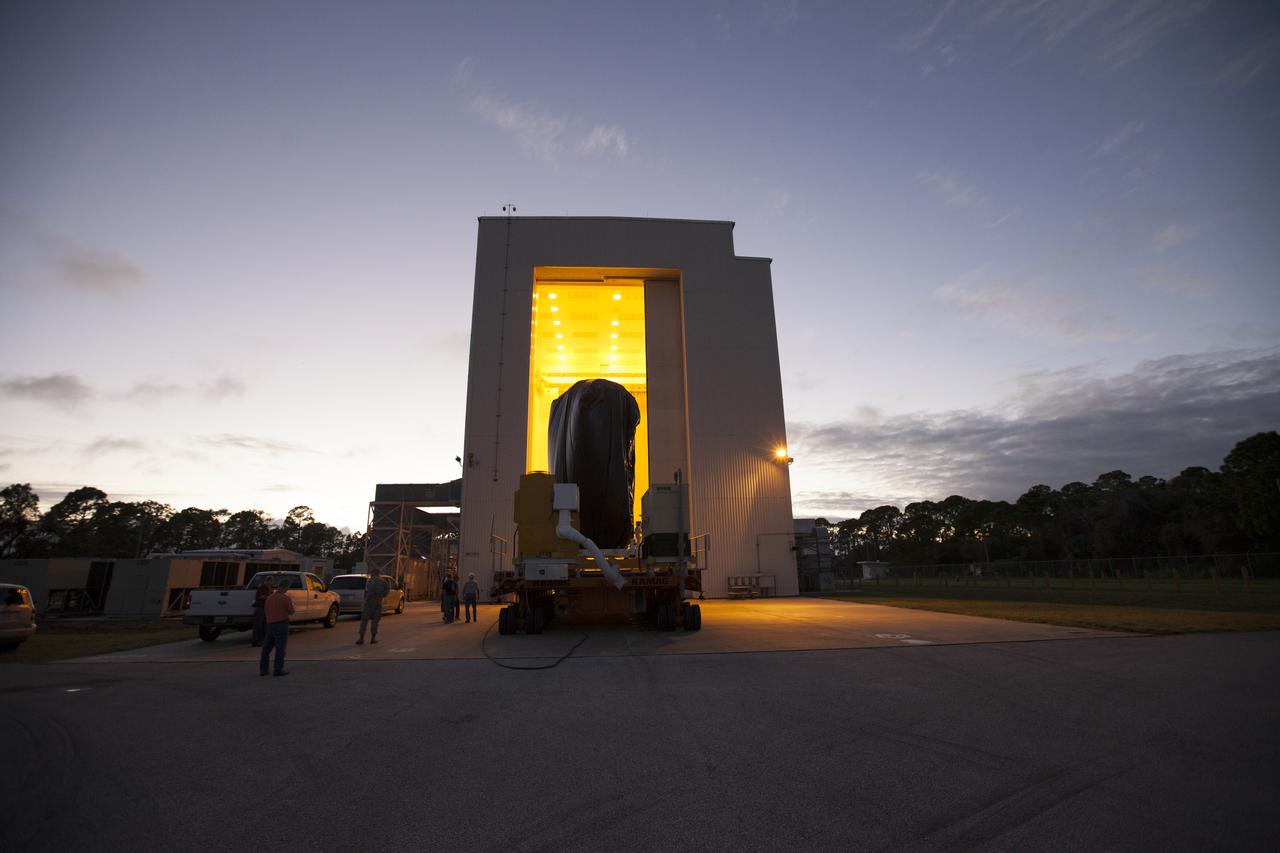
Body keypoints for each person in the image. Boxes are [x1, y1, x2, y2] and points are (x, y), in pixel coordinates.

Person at [259, 577, 294, 677]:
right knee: (280, 648)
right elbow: (291, 611)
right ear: (286, 587)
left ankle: (263, 669)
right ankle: (278, 669)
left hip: (270, 624)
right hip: (281, 624)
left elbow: (266, 610)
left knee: (266, 648)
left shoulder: (269, 598)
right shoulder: (285, 598)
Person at [357, 568, 391, 645]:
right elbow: (387, 592)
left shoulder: (369, 581)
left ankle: (361, 638)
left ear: (373, 573)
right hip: (378, 603)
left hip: (369, 603)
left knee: (364, 620)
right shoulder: (384, 582)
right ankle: (373, 638)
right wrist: (380, 596)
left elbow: (366, 591)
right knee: (375, 621)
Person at [250, 577, 274, 647]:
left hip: (266, 608)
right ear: (267, 581)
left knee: (264, 626)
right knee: (258, 626)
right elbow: (259, 597)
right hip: (260, 608)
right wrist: (268, 597)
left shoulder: (270, 588)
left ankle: (262, 641)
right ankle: (256, 641)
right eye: (270, 581)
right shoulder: (261, 588)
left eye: (272, 582)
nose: (271, 583)